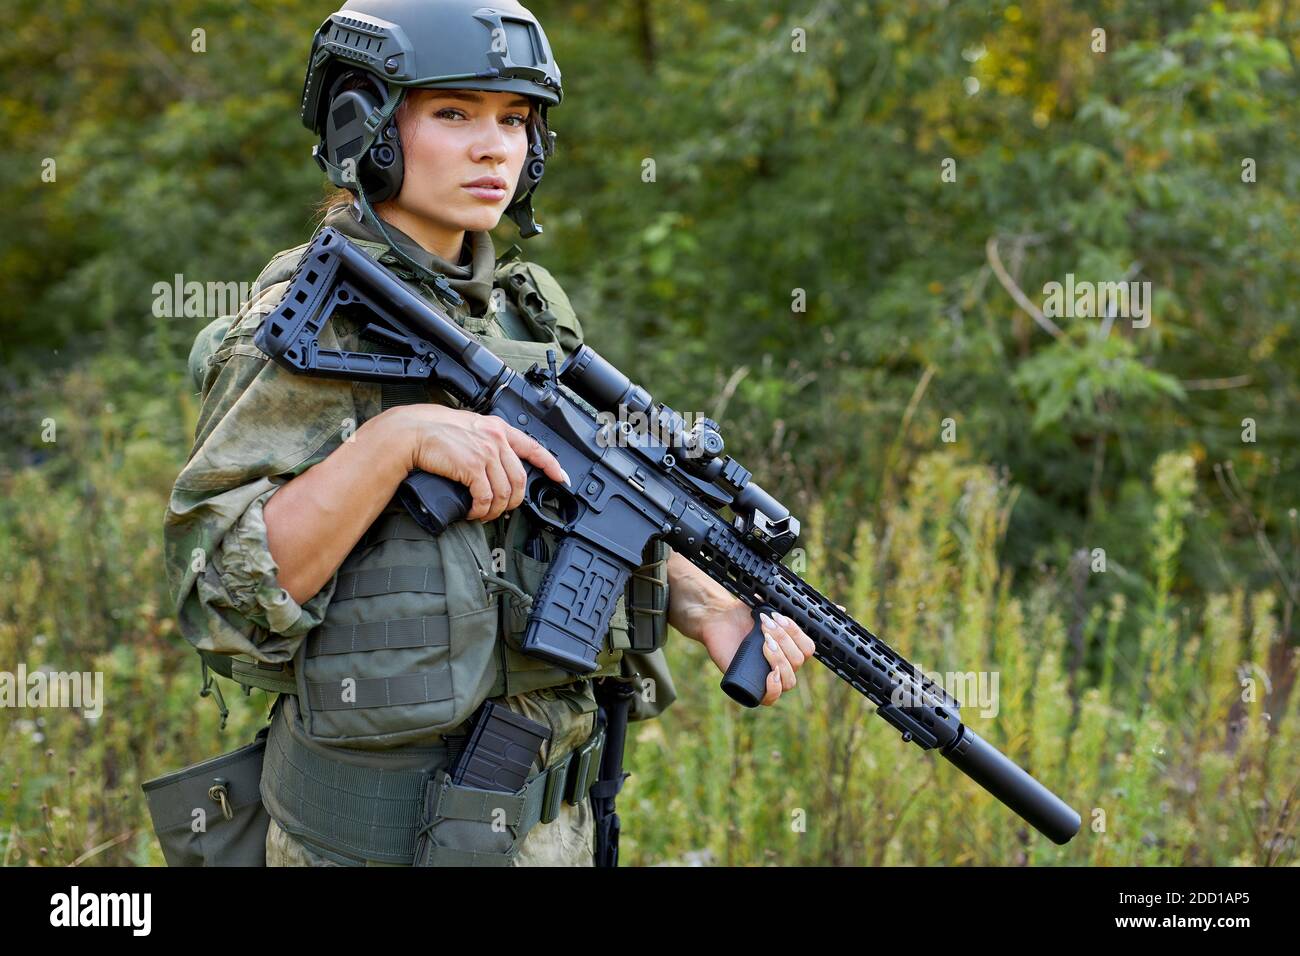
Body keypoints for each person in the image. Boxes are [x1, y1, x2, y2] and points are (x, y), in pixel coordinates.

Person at [163, 0, 817, 867]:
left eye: (514, 120)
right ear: (367, 126)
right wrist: (395, 440)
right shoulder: (309, 321)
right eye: (453, 113)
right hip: (369, 842)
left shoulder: (526, 312)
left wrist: (710, 607)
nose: (494, 147)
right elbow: (219, 593)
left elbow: (596, 494)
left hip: (553, 825)